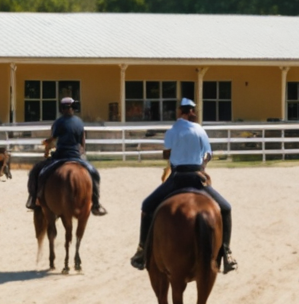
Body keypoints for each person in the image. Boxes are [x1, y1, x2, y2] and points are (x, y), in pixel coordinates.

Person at [129, 96, 234, 273]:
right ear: (192, 112)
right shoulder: (200, 130)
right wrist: (202, 166)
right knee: (226, 208)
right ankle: (227, 253)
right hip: (197, 177)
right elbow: (209, 154)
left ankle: (141, 250)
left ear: (180, 111)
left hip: (177, 177)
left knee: (147, 206)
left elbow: (166, 154)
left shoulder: (172, 131)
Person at [26, 95, 108, 217]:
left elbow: (53, 140)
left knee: (37, 171)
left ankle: (34, 198)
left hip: (60, 156)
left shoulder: (58, 122)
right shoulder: (79, 123)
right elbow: (82, 142)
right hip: (76, 156)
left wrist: (47, 145)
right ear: (73, 108)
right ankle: (96, 204)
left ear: (61, 109)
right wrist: (81, 153)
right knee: (94, 174)